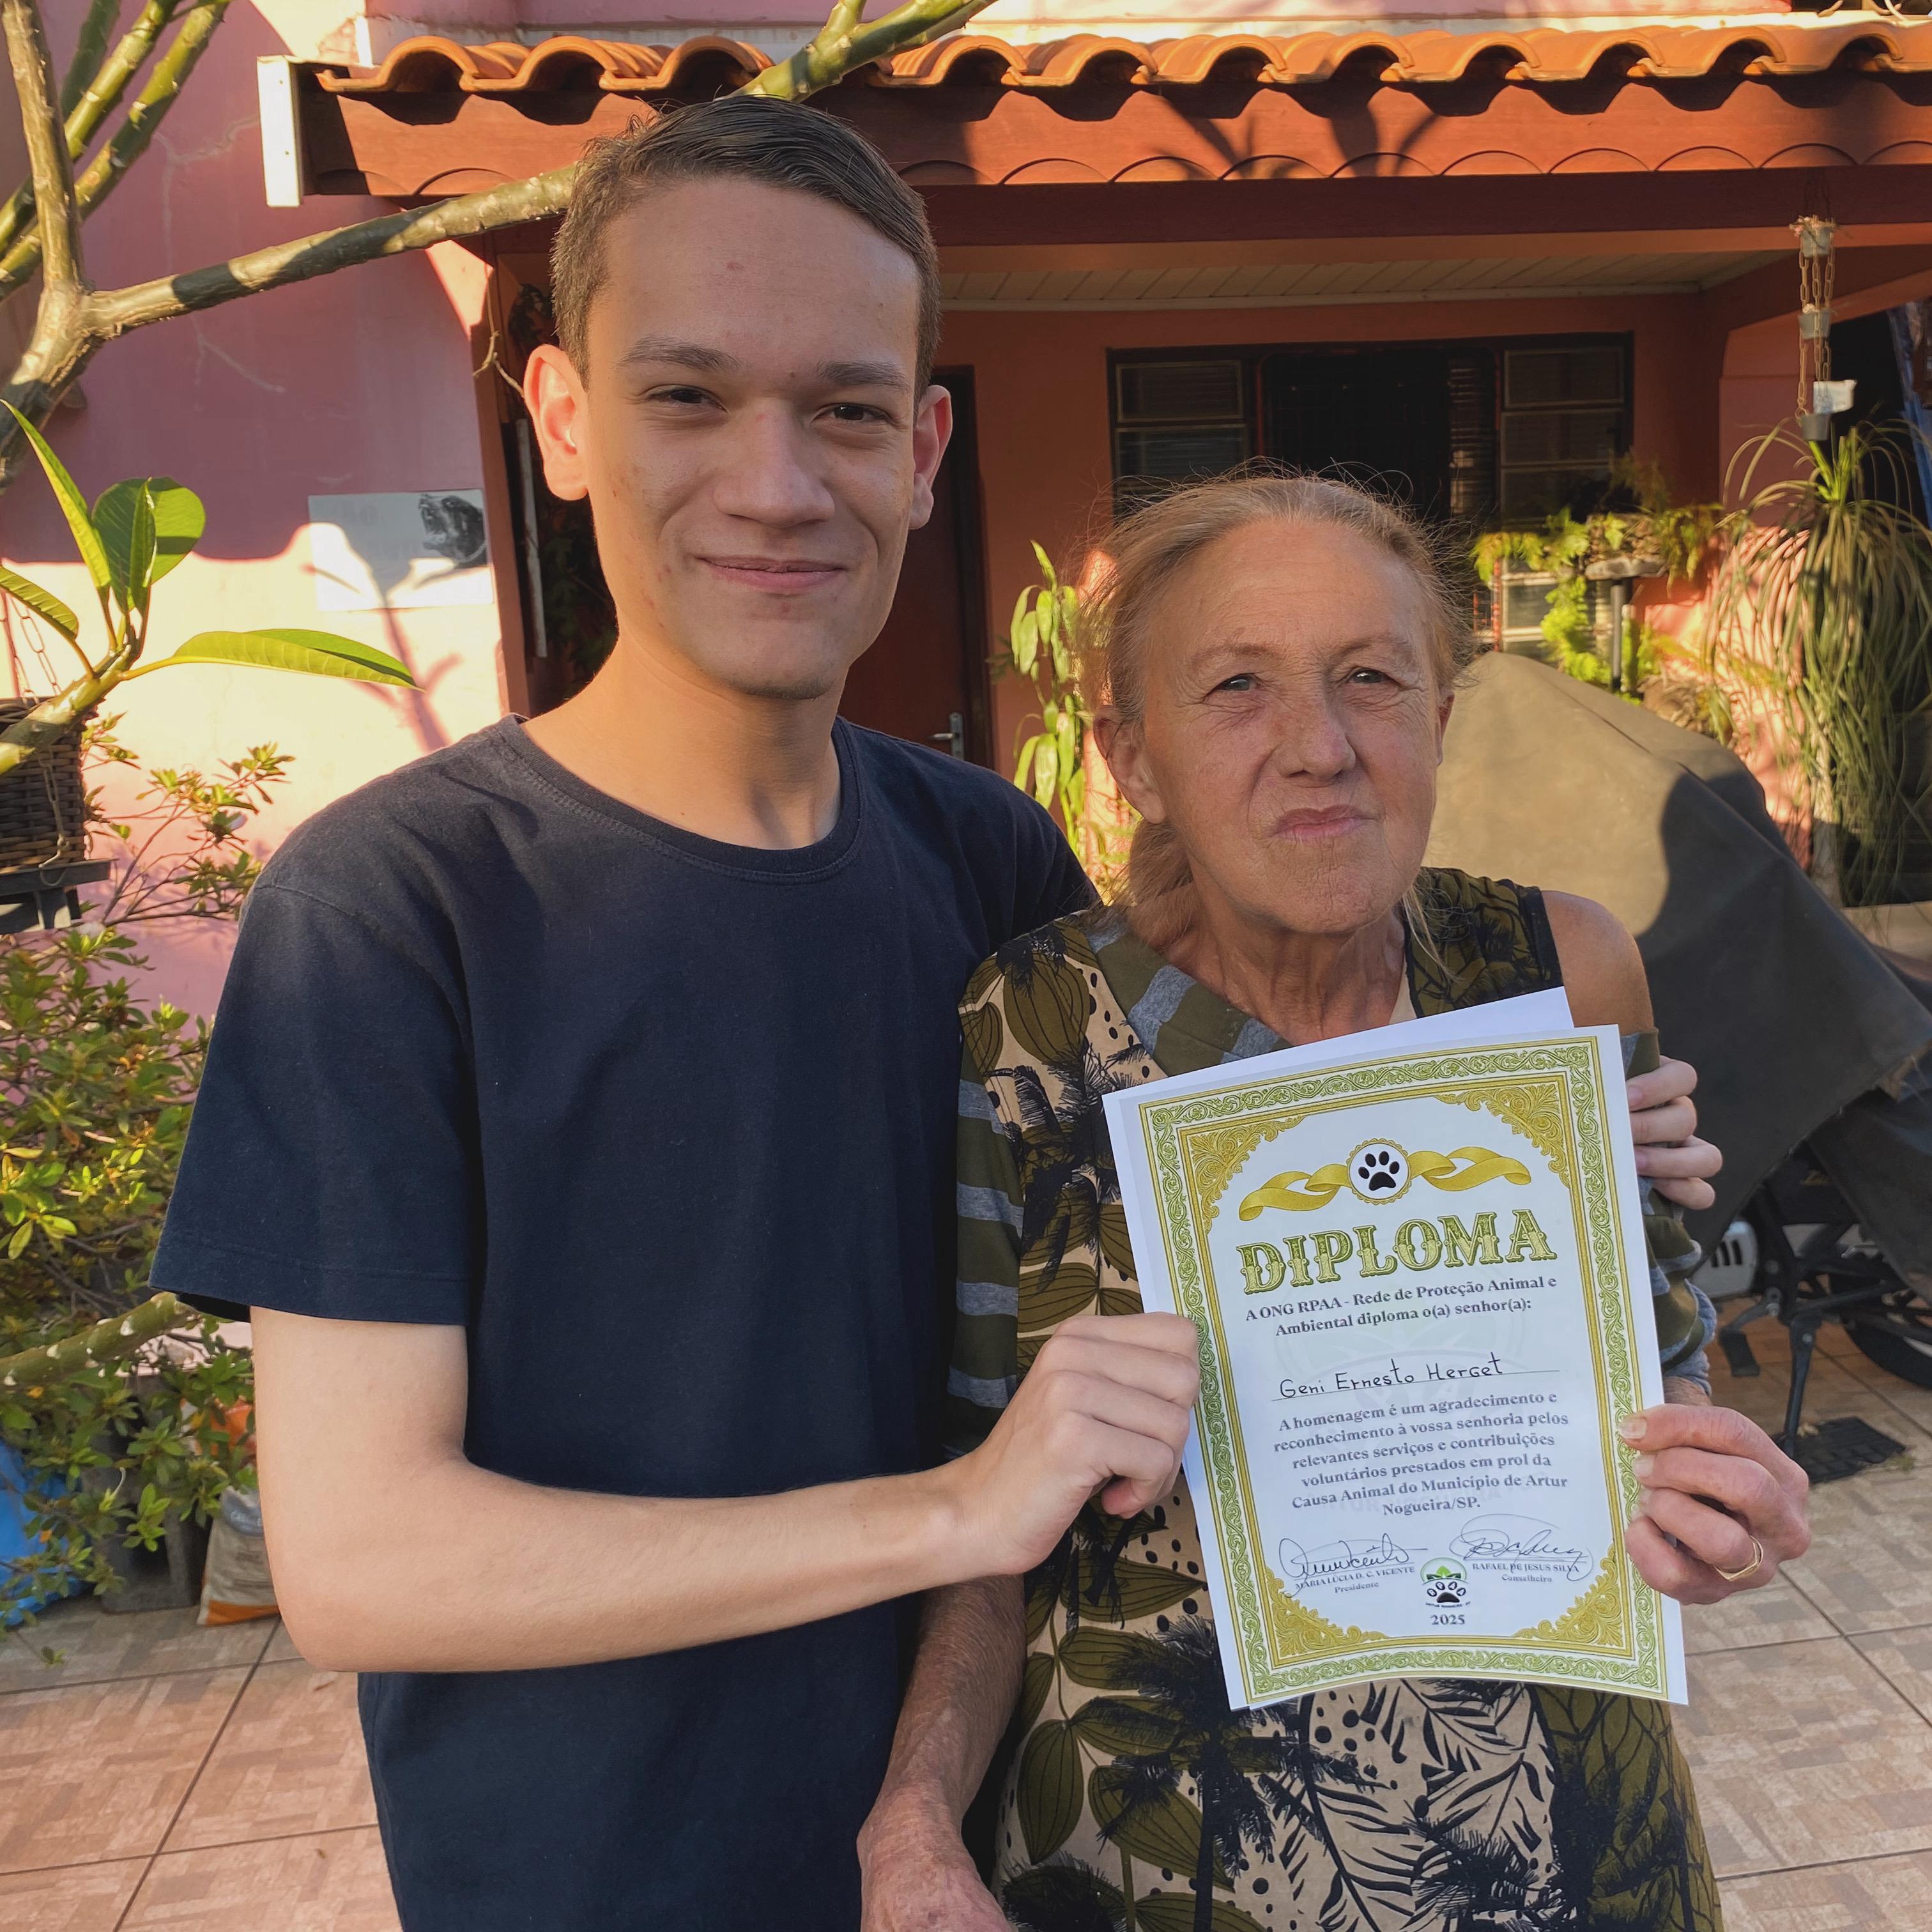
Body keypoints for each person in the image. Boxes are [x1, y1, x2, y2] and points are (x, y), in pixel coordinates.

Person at [148, 98, 1207, 1931]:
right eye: (690, 397)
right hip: (596, 1877)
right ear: (564, 422)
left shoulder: (989, 859)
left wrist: (1555, 1120)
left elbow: (1166, 1229)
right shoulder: (398, 910)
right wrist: (954, 1509)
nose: (778, 483)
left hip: (993, 1851)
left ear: (924, 452)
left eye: (847, 410)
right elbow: (364, 1559)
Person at [858, 475, 1812, 1932]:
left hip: (1564, 1856)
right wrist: (916, 1816)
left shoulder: (1558, 972)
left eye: (1372, 677)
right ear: (1133, 758)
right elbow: (981, 1505)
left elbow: (1661, 1367)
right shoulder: (1032, 1031)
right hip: (1161, 1869)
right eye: (1237, 686)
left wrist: (1713, 1497)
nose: (1320, 745)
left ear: (1440, 718)